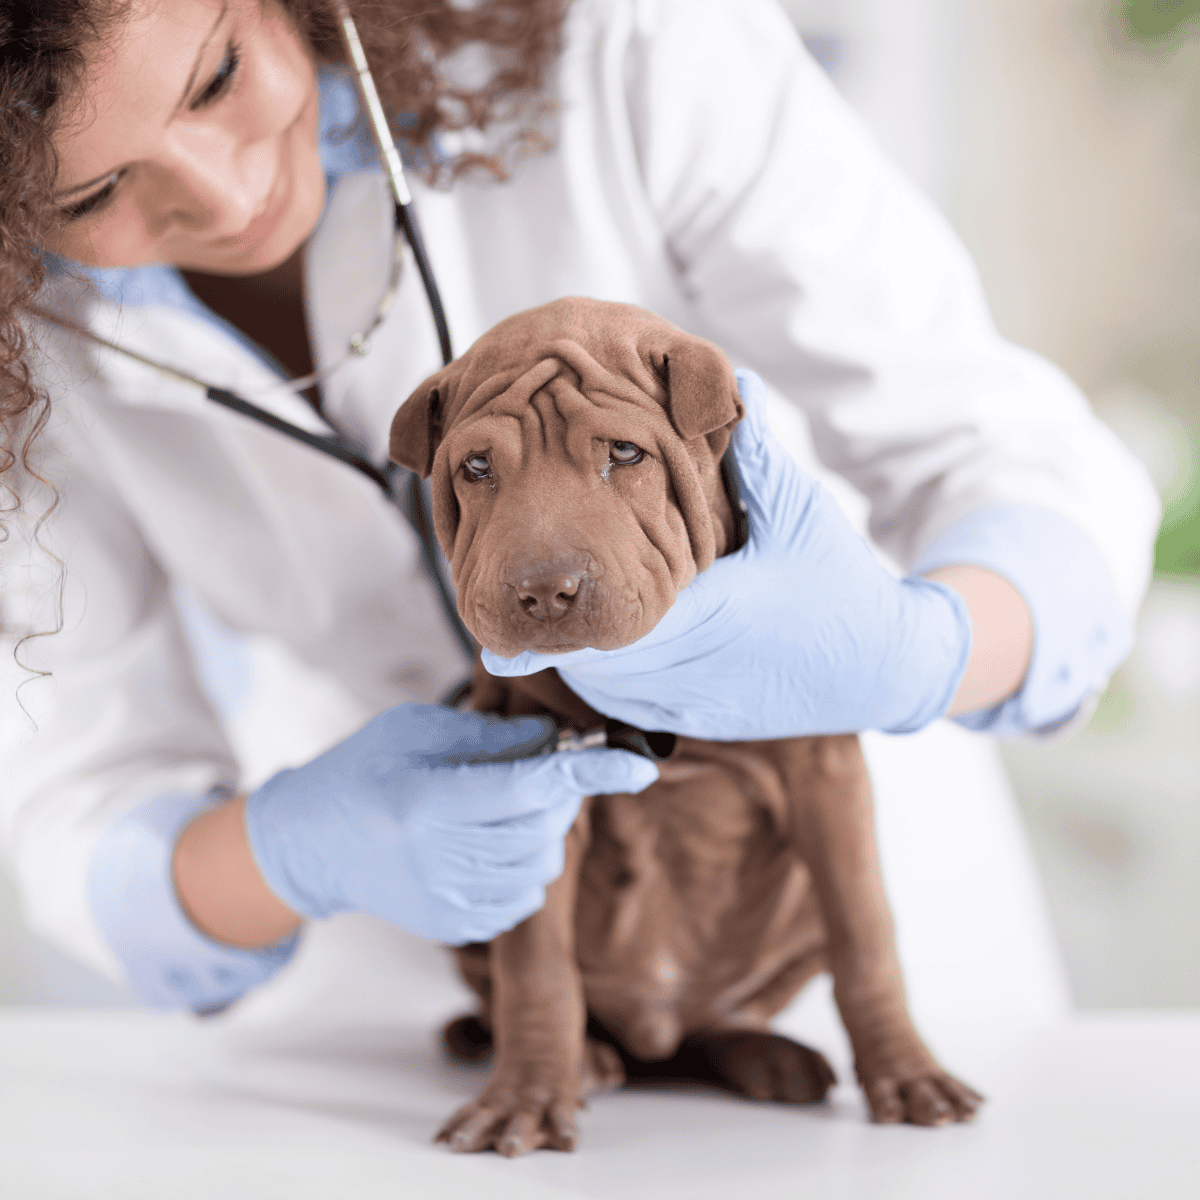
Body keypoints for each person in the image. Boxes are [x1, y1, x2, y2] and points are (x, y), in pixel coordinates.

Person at [0, 0, 1158, 1019]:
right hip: (450, 972)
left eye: (219, 77)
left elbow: (1006, 453)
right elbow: (81, 799)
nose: (229, 191)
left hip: (809, 900)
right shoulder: (25, 349)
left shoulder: (625, 44)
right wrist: (293, 854)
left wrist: (921, 653)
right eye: (92, 190)